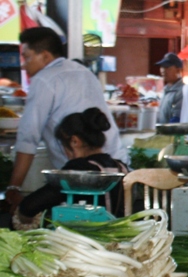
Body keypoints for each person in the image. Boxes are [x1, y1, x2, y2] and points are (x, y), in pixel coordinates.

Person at [5, 27, 125, 210]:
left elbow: (28, 138)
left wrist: (13, 188)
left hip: (82, 175)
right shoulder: (84, 72)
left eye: (27, 57)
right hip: (117, 166)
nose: (24, 65)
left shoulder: (43, 79)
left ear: (45, 56)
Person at [12, 108, 129, 229]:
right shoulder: (120, 167)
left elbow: (30, 206)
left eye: (64, 146)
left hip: (84, 239)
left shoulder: (78, 170)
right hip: (117, 235)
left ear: (74, 141)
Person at [155, 53, 184, 124]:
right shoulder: (166, 89)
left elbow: (177, 119)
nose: (163, 70)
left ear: (178, 70)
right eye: (162, 67)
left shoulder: (181, 91)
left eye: (167, 67)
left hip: (172, 134)